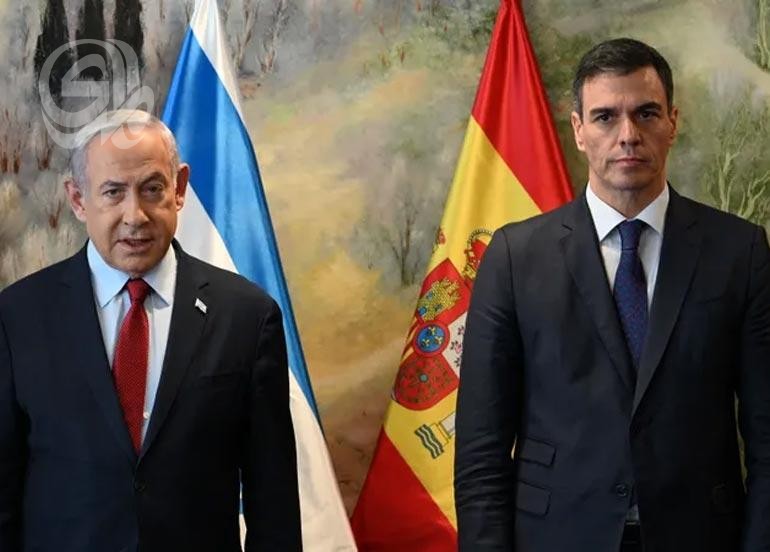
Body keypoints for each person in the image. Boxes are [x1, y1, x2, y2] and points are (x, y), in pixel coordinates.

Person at [454, 38, 770, 552]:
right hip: (556, 537)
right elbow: (481, 453)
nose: (628, 135)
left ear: (672, 122)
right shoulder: (514, 258)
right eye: (605, 117)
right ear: (578, 130)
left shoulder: (740, 251)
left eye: (646, 113)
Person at [0, 110, 302, 552]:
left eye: (152, 189)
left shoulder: (247, 317)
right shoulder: (17, 316)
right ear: (78, 199)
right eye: (113, 192)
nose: (135, 215)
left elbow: (273, 502)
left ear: (179, 189)